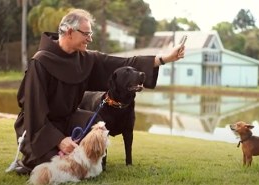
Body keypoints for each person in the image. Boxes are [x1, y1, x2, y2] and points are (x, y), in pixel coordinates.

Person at [12, 8, 185, 175]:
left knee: (98, 128)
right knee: (52, 163)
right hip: (39, 126)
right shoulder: (40, 62)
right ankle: (31, 161)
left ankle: (86, 160)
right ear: (70, 32)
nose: (90, 38)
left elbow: (122, 64)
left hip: (68, 120)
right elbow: (33, 112)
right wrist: (59, 140)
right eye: (86, 34)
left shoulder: (87, 59)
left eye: (90, 34)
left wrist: (164, 59)